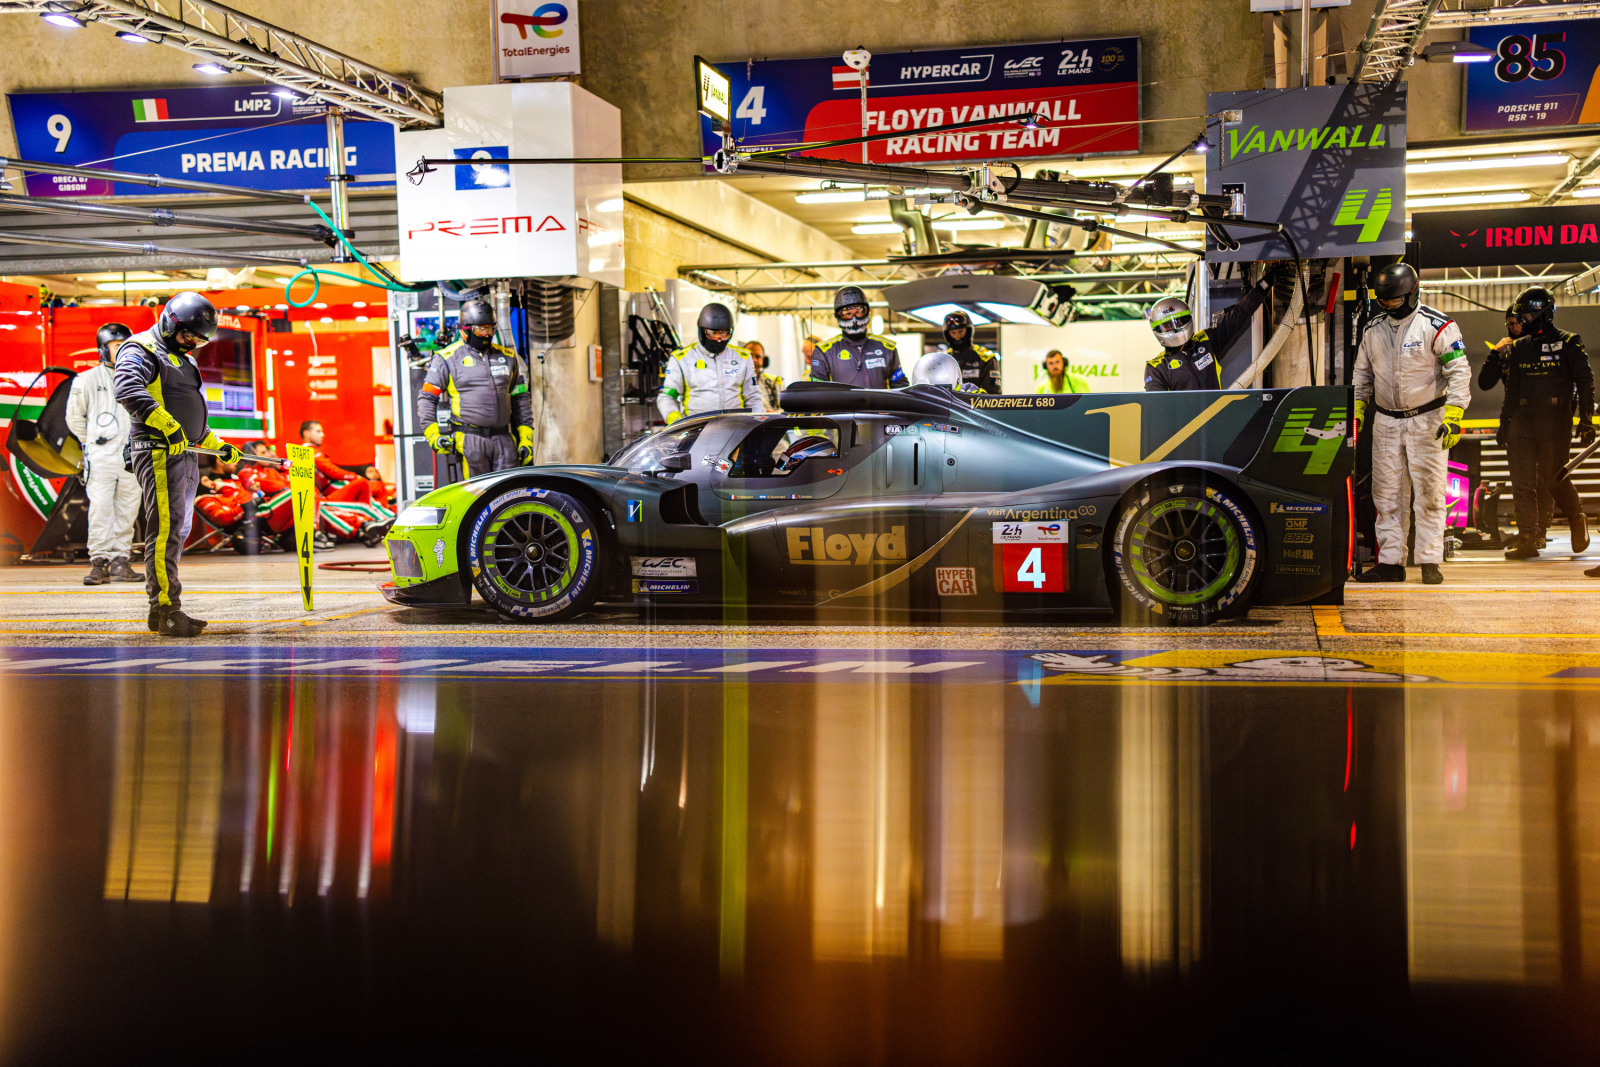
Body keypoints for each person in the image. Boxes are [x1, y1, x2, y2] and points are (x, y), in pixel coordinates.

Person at [113, 291, 239, 637]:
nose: (191, 344)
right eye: (187, 336)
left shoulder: (182, 356)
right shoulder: (140, 348)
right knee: (165, 531)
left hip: (183, 452)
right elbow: (127, 389)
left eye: (199, 341)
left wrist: (215, 444)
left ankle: (161, 609)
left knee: (176, 532)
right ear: (170, 321)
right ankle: (169, 610)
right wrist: (167, 425)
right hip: (157, 450)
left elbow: (190, 415)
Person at [1351, 262, 1471, 585]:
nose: (1389, 305)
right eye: (1384, 300)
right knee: (1386, 495)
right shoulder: (1372, 329)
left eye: (1394, 299)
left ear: (1411, 292)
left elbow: (1459, 373)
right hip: (1385, 422)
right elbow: (1361, 376)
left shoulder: (1438, 327)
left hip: (1428, 420)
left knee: (1430, 494)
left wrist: (1455, 415)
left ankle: (1430, 560)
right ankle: (1391, 562)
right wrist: (1357, 409)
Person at [1490, 286, 1593, 561]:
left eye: (1525, 314)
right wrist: (1504, 424)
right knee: (1521, 482)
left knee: (1553, 477)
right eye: (1520, 315)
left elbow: (1585, 381)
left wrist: (1586, 419)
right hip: (1523, 423)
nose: (1521, 320)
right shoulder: (1521, 347)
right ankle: (1527, 538)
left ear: (1543, 314)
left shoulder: (1570, 342)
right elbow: (1512, 389)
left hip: (1556, 422)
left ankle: (1575, 517)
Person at [417, 298, 534, 476]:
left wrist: (526, 438)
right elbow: (427, 398)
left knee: (509, 496)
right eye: (481, 329)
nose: (487, 334)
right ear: (466, 330)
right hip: (469, 441)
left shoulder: (508, 356)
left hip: (504, 440)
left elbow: (520, 399)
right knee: (476, 498)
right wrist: (434, 436)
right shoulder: (446, 358)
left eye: (491, 328)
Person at [65, 322, 144, 586]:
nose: (122, 351)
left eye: (126, 346)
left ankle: (122, 561)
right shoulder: (86, 380)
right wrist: (92, 443)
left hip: (132, 457)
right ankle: (99, 562)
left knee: (128, 510)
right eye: (116, 346)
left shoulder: (140, 377)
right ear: (102, 350)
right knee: (100, 509)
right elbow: (74, 419)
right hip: (100, 457)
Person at [1480, 306, 1555, 543]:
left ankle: (1541, 530)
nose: (1515, 328)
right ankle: (1528, 533)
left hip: (1546, 420)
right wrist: (1495, 351)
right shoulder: (1506, 351)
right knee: (1522, 480)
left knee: (1545, 479)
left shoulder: (1544, 344)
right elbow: (1484, 383)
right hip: (1517, 418)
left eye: (1518, 323)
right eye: (1510, 324)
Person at [1143, 264, 1284, 391]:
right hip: (1187, 421)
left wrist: (1266, 283)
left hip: (1217, 418)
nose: (1175, 328)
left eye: (1179, 322)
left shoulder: (1206, 340)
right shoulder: (1156, 367)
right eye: (1168, 325)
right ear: (1158, 330)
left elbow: (1239, 314)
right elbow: (1157, 408)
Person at [657, 303, 765, 424]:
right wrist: (677, 422)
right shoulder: (682, 359)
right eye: (714, 333)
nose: (719, 338)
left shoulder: (742, 358)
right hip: (697, 431)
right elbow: (667, 397)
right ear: (702, 331)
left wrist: (760, 425)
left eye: (724, 333)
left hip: (735, 430)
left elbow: (753, 398)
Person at [810, 286, 905, 389]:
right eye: (848, 314)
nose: (854, 319)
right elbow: (817, 391)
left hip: (879, 405)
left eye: (859, 312)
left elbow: (900, 386)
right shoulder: (824, 352)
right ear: (838, 315)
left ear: (868, 312)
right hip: (840, 405)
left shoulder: (887, 348)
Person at [941, 311, 1001, 394]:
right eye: (953, 333)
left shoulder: (986, 358)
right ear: (947, 334)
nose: (957, 336)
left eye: (961, 331)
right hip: (950, 406)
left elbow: (993, 395)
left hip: (977, 406)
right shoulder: (944, 360)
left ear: (968, 331)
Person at [746, 340, 784, 412]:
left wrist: (769, 414)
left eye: (757, 356)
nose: (753, 360)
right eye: (749, 356)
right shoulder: (736, 383)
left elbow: (785, 409)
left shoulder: (775, 381)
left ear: (764, 360)